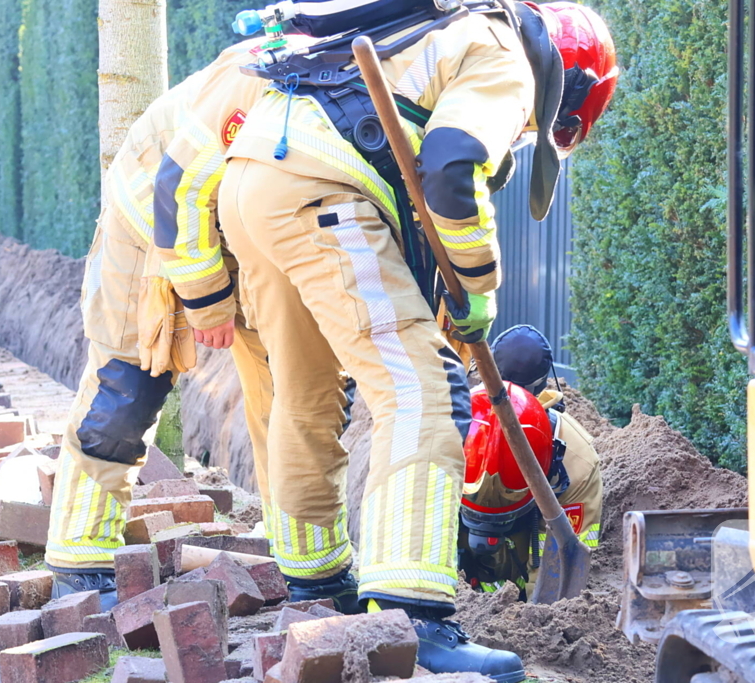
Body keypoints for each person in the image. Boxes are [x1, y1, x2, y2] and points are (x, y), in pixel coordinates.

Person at [218, 2, 616, 679]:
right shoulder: (505, 58)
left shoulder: (443, 32)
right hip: (323, 187)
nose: (524, 136)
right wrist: (478, 286)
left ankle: (317, 586)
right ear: (567, 92)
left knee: (305, 389)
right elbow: (454, 166)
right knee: (425, 389)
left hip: (256, 175)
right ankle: (414, 621)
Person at [43, 37, 296, 610]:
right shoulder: (268, 75)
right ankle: (80, 560)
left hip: (248, 230)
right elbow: (175, 187)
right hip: (154, 215)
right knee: (126, 392)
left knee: (293, 396)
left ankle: (300, 561)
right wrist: (205, 297)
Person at [459, 324, 603, 598]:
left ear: (485, 373)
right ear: (543, 382)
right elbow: (564, 563)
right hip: (503, 588)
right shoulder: (578, 458)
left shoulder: (451, 423)